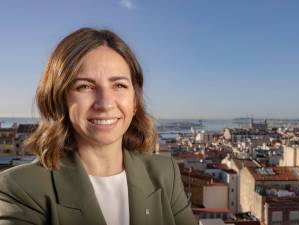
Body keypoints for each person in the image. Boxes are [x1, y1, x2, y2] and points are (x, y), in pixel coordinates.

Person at [0, 28, 197, 225]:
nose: (105, 104)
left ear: (135, 101)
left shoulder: (165, 174)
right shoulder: (21, 188)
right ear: (60, 99)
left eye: (119, 85)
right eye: (84, 86)